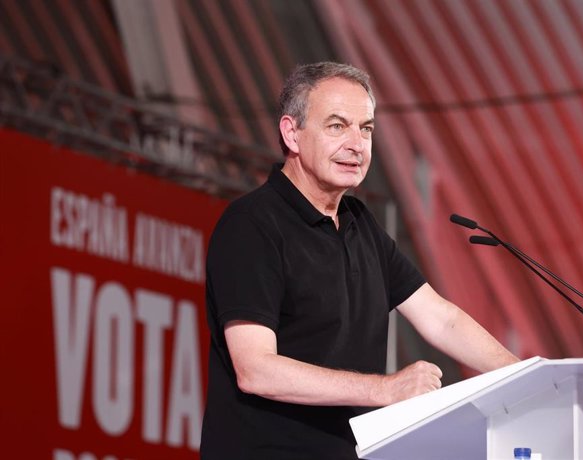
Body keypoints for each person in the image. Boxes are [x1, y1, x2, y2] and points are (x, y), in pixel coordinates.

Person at [200, 61, 519, 459]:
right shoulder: (252, 225)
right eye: (337, 126)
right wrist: (385, 388)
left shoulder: (361, 225)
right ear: (291, 133)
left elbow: (442, 319)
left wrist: (528, 375)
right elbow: (256, 370)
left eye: (365, 128)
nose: (356, 144)